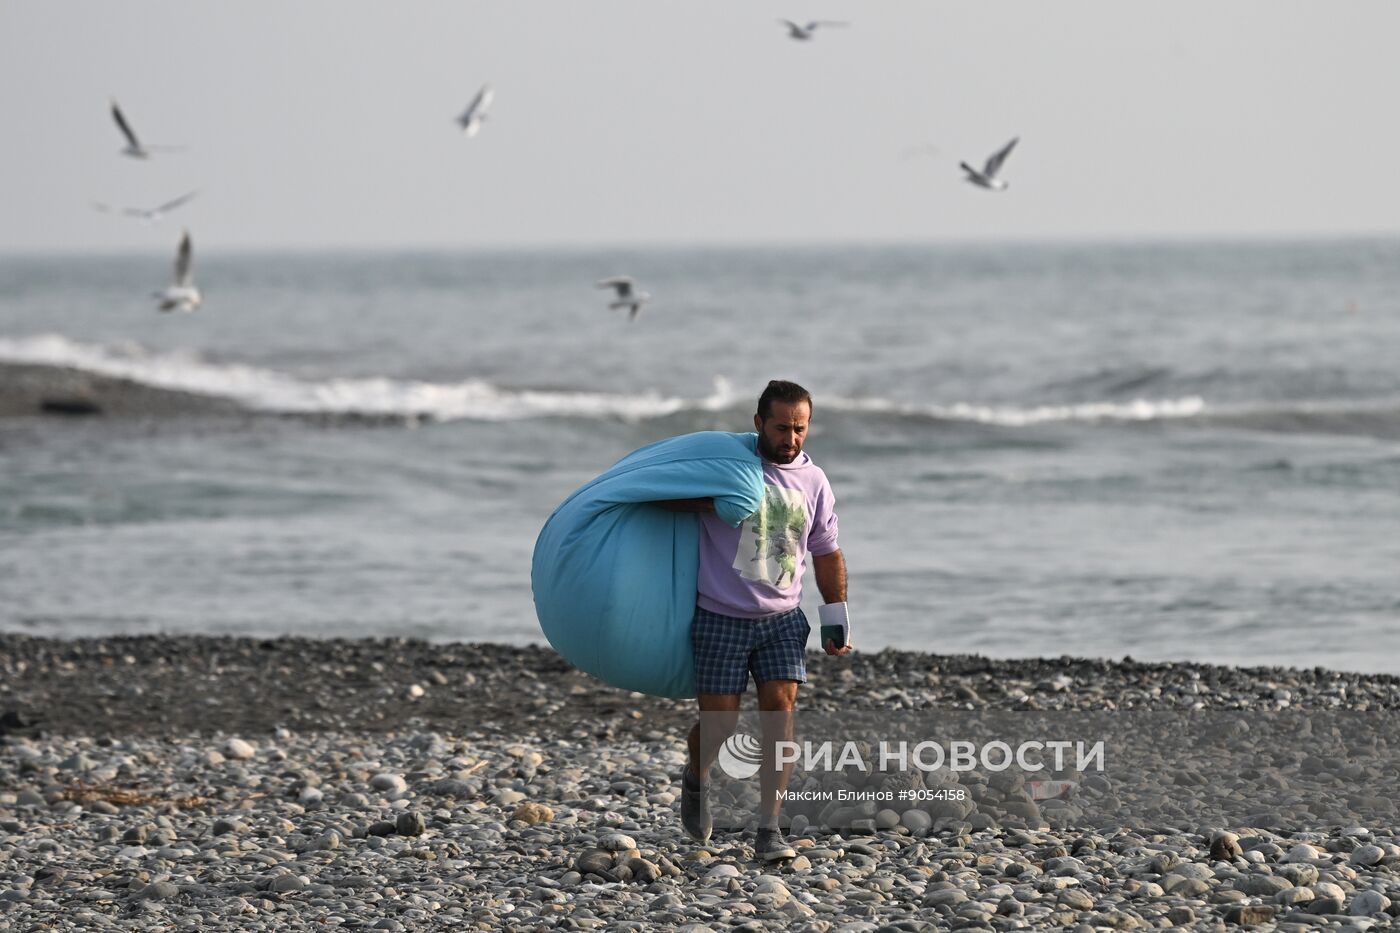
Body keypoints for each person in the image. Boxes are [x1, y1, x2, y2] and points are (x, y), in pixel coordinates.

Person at [656, 379, 851, 860]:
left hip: (782, 620)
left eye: (800, 429)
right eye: (782, 427)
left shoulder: (814, 481)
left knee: (779, 720)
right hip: (720, 617)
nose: (791, 439)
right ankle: (696, 777)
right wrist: (710, 506)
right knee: (719, 728)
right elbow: (659, 496)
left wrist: (835, 614)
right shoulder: (726, 470)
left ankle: (769, 829)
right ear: (759, 422)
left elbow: (826, 551)